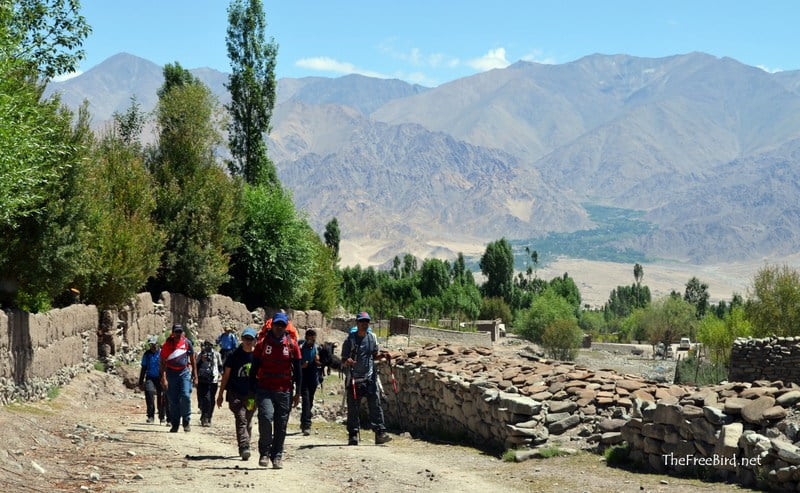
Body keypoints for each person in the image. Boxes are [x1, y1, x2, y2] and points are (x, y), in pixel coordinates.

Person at [250, 312, 301, 469]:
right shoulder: (262, 344)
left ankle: (277, 456)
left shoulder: (292, 345)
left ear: (286, 327)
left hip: (284, 389)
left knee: (281, 424)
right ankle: (264, 453)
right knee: (265, 418)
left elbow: (298, 371)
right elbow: (254, 369)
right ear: (272, 325)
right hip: (265, 387)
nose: (279, 328)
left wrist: (298, 393)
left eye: (282, 325)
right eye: (277, 324)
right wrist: (252, 391)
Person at [342, 311, 392, 446]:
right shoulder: (349, 340)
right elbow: (343, 360)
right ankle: (353, 435)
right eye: (362, 321)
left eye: (366, 322)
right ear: (357, 323)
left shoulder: (372, 338)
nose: (364, 324)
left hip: (370, 378)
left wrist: (382, 356)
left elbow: (373, 355)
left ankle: (380, 433)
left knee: (375, 405)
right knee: (353, 408)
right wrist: (348, 361)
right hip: (354, 379)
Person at [216, 327, 258, 460]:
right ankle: (244, 446)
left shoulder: (257, 356)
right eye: (246, 339)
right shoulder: (233, 355)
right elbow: (226, 375)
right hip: (236, 394)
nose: (248, 342)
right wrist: (221, 394)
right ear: (242, 339)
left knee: (248, 420)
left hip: (252, 395)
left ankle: (245, 444)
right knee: (241, 418)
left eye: (251, 339)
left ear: (255, 340)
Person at [160, 323, 198, 433]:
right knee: (173, 400)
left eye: (180, 331)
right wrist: (163, 378)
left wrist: (195, 376)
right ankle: (175, 424)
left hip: (184, 373)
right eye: (176, 332)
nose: (178, 334)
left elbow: (193, 359)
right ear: (172, 333)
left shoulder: (187, 343)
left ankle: (186, 420)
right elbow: (162, 362)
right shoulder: (167, 344)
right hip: (171, 373)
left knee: (185, 395)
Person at [138, 336, 166, 424]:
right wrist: (141, 381)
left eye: (154, 344)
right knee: (149, 393)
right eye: (151, 345)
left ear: (157, 344)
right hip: (150, 377)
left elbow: (165, 366)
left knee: (161, 396)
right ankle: (150, 416)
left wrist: (165, 378)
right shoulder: (147, 354)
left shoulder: (162, 353)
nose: (152, 346)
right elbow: (144, 367)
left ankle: (162, 416)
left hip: (160, 377)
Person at [298, 329, 321, 435]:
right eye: (309, 338)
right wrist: (302, 365)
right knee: (306, 400)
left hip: (313, 377)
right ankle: (307, 424)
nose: (311, 340)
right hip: (303, 376)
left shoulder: (317, 348)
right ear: (306, 337)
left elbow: (322, 362)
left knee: (310, 400)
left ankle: (303, 421)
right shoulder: (300, 347)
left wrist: (317, 361)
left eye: (313, 338)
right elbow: (295, 362)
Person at [196, 340, 223, 427]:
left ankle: (209, 417)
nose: (208, 347)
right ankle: (204, 417)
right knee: (205, 398)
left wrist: (220, 374)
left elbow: (220, 366)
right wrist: (202, 360)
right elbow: (196, 365)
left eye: (210, 345)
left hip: (213, 380)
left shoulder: (216, 354)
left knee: (211, 399)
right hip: (203, 380)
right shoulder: (200, 354)